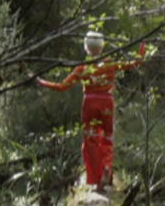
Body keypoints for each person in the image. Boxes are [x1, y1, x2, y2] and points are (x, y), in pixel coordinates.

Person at [37, 31, 147, 192]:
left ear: (87, 48)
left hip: (89, 103)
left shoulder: (82, 67)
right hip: (107, 103)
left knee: (90, 142)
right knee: (107, 138)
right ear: (102, 47)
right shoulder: (110, 64)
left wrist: (41, 81)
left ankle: (96, 181)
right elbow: (136, 62)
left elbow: (61, 87)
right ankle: (107, 168)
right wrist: (142, 44)